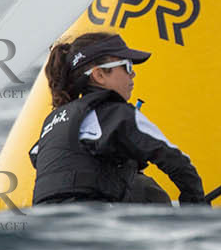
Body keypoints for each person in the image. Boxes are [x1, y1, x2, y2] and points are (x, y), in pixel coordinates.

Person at [30, 32, 208, 206]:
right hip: (89, 223)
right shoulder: (117, 113)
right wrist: (195, 211)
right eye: (127, 66)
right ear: (99, 75)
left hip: (44, 222)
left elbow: (39, 156)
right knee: (146, 189)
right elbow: (177, 162)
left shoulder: (52, 123)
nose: (132, 75)